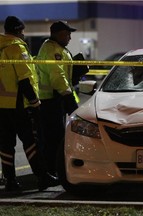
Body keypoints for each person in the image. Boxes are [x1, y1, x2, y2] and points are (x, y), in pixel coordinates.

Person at [0, 16, 59, 191]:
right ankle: (42, 177)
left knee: (5, 144)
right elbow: (24, 79)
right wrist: (35, 102)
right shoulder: (16, 48)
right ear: (18, 31)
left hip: (1, 106)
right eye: (22, 31)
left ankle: (10, 181)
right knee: (31, 141)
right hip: (19, 104)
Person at [36, 20, 79, 175]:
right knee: (53, 136)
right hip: (51, 99)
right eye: (67, 34)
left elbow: (62, 74)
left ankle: (53, 167)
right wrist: (68, 96)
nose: (69, 37)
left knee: (55, 135)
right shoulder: (52, 49)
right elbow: (57, 76)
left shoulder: (59, 48)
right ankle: (52, 168)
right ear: (57, 34)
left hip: (56, 97)